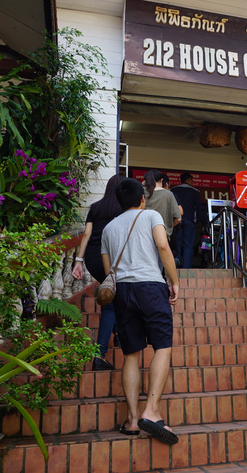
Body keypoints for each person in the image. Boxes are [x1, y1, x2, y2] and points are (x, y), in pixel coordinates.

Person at [102, 178, 180, 444]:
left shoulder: (109, 228)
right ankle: (152, 410)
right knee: (162, 346)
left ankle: (133, 420)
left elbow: (107, 271)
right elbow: (162, 247)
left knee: (131, 355)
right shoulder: (150, 216)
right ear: (142, 198)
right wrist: (175, 281)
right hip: (150, 287)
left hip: (122, 292)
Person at [71, 174, 127, 371]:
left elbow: (86, 234)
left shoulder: (95, 207)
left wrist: (78, 261)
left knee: (114, 295)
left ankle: (119, 334)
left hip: (92, 260)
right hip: (111, 259)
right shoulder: (123, 209)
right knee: (110, 305)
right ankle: (99, 354)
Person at [171, 172, 208, 269]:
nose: (192, 182)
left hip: (176, 220)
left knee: (177, 243)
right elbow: (199, 209)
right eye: (191, 180)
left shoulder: (173, 190)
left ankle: (175, 263)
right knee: (188, 245)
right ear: (188, 180)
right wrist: (204, 223)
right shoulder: (195, 191)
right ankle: (186, 268)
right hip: (189, 220)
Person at [143, 170, 181, 241]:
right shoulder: (168, 194)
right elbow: (178, 218)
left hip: (144, 234)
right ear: (162, 180)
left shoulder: (142, 191)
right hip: (162, 235)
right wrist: (168, 226)